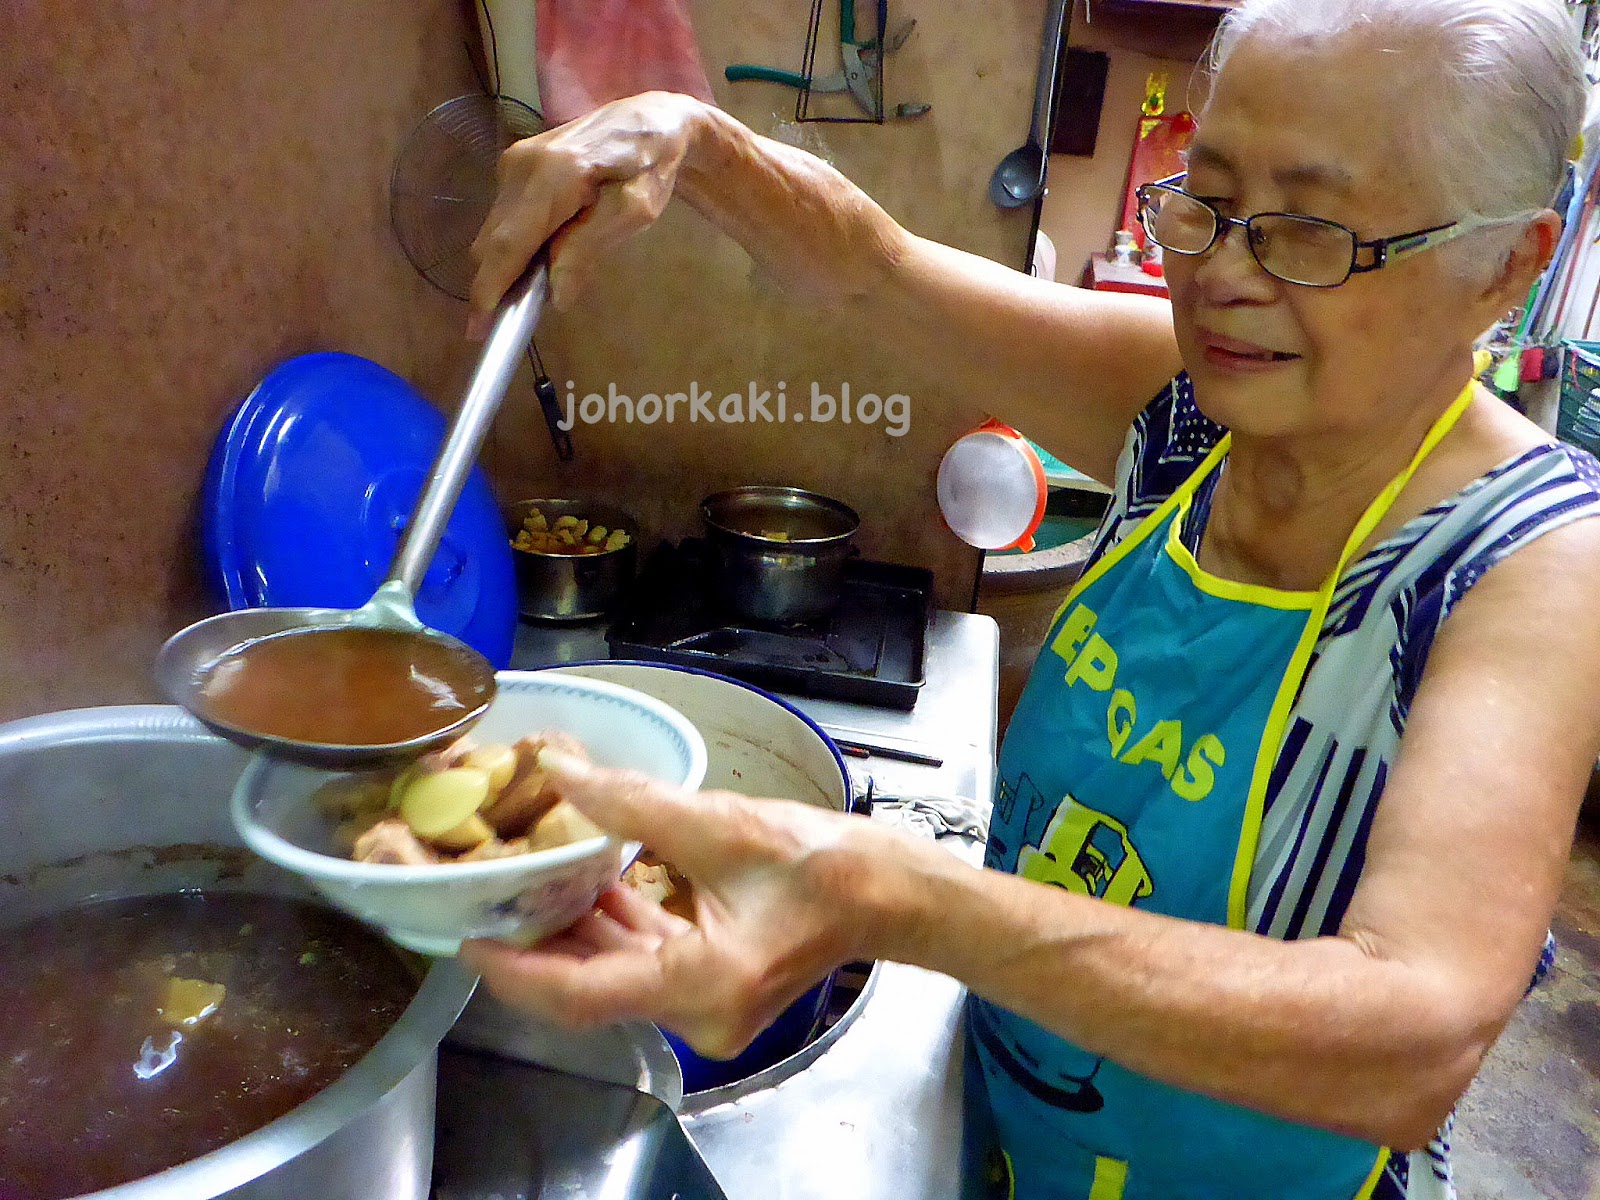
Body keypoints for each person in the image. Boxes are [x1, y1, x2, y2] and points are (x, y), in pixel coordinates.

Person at [460, 1, 1600, 1196]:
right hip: (1025, 1135)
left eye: (1311, 230)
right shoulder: (1191, 412)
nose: (1220, 276)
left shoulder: (1530, 563)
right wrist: (687, 135)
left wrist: (886, 896)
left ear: (1507, 264)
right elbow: (872, 270)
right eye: (1203, 199)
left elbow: (1411, 1038)